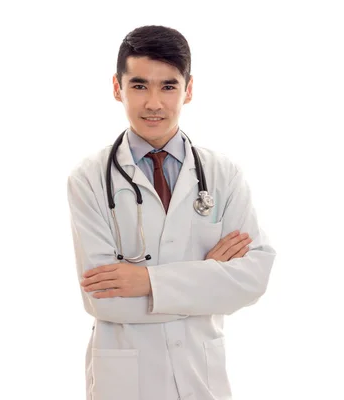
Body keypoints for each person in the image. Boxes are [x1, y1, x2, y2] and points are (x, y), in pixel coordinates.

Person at [67, 25, 276, 400]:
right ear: (117, 88)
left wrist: (146, 282)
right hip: (126, 382)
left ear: (188, 90)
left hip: (201, 376)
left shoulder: (222, 175)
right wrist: (208, 280)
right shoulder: (89, 179)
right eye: (139, 85)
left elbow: (252, 280)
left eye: (168, 86)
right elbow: (104, 298)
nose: (153, 103)